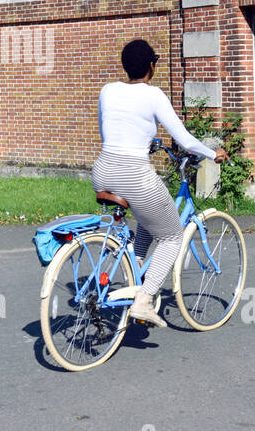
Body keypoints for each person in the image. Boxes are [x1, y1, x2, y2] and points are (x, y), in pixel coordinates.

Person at [92, 39, 228, 328]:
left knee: (148, 217)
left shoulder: (108, 90)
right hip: (133, 175)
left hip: (103, 171)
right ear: (151, 66)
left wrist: (146, 140)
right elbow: (184, 140)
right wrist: (212, 153)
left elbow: (111, 131)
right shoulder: (153, 95)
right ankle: (144, 300)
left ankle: (136, 272)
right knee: (171, 237)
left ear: (124, 65)